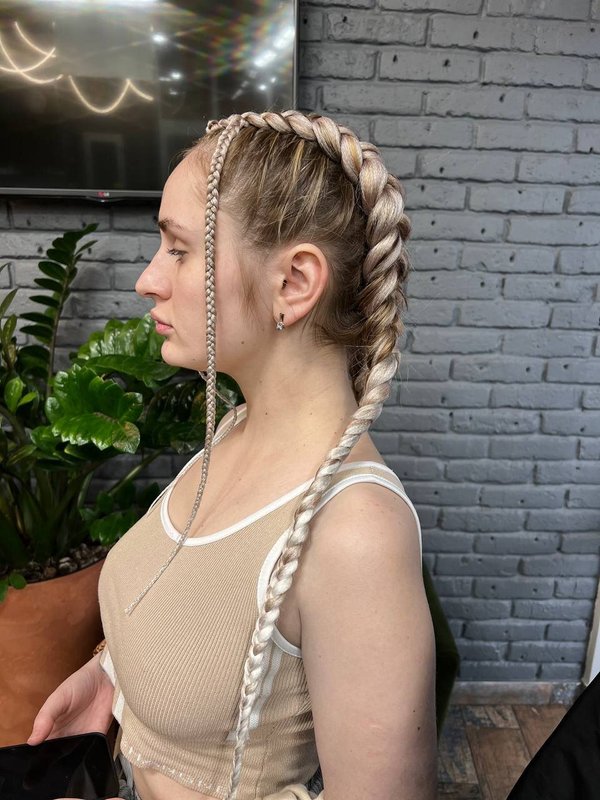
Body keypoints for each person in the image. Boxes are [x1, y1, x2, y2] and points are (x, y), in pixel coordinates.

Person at [27, 110, 437, 800]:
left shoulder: (355, 533)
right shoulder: (232, 432)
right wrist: (109, 681)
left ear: (294, 283)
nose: (147, 280)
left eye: (178, 249)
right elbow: (197, 622)